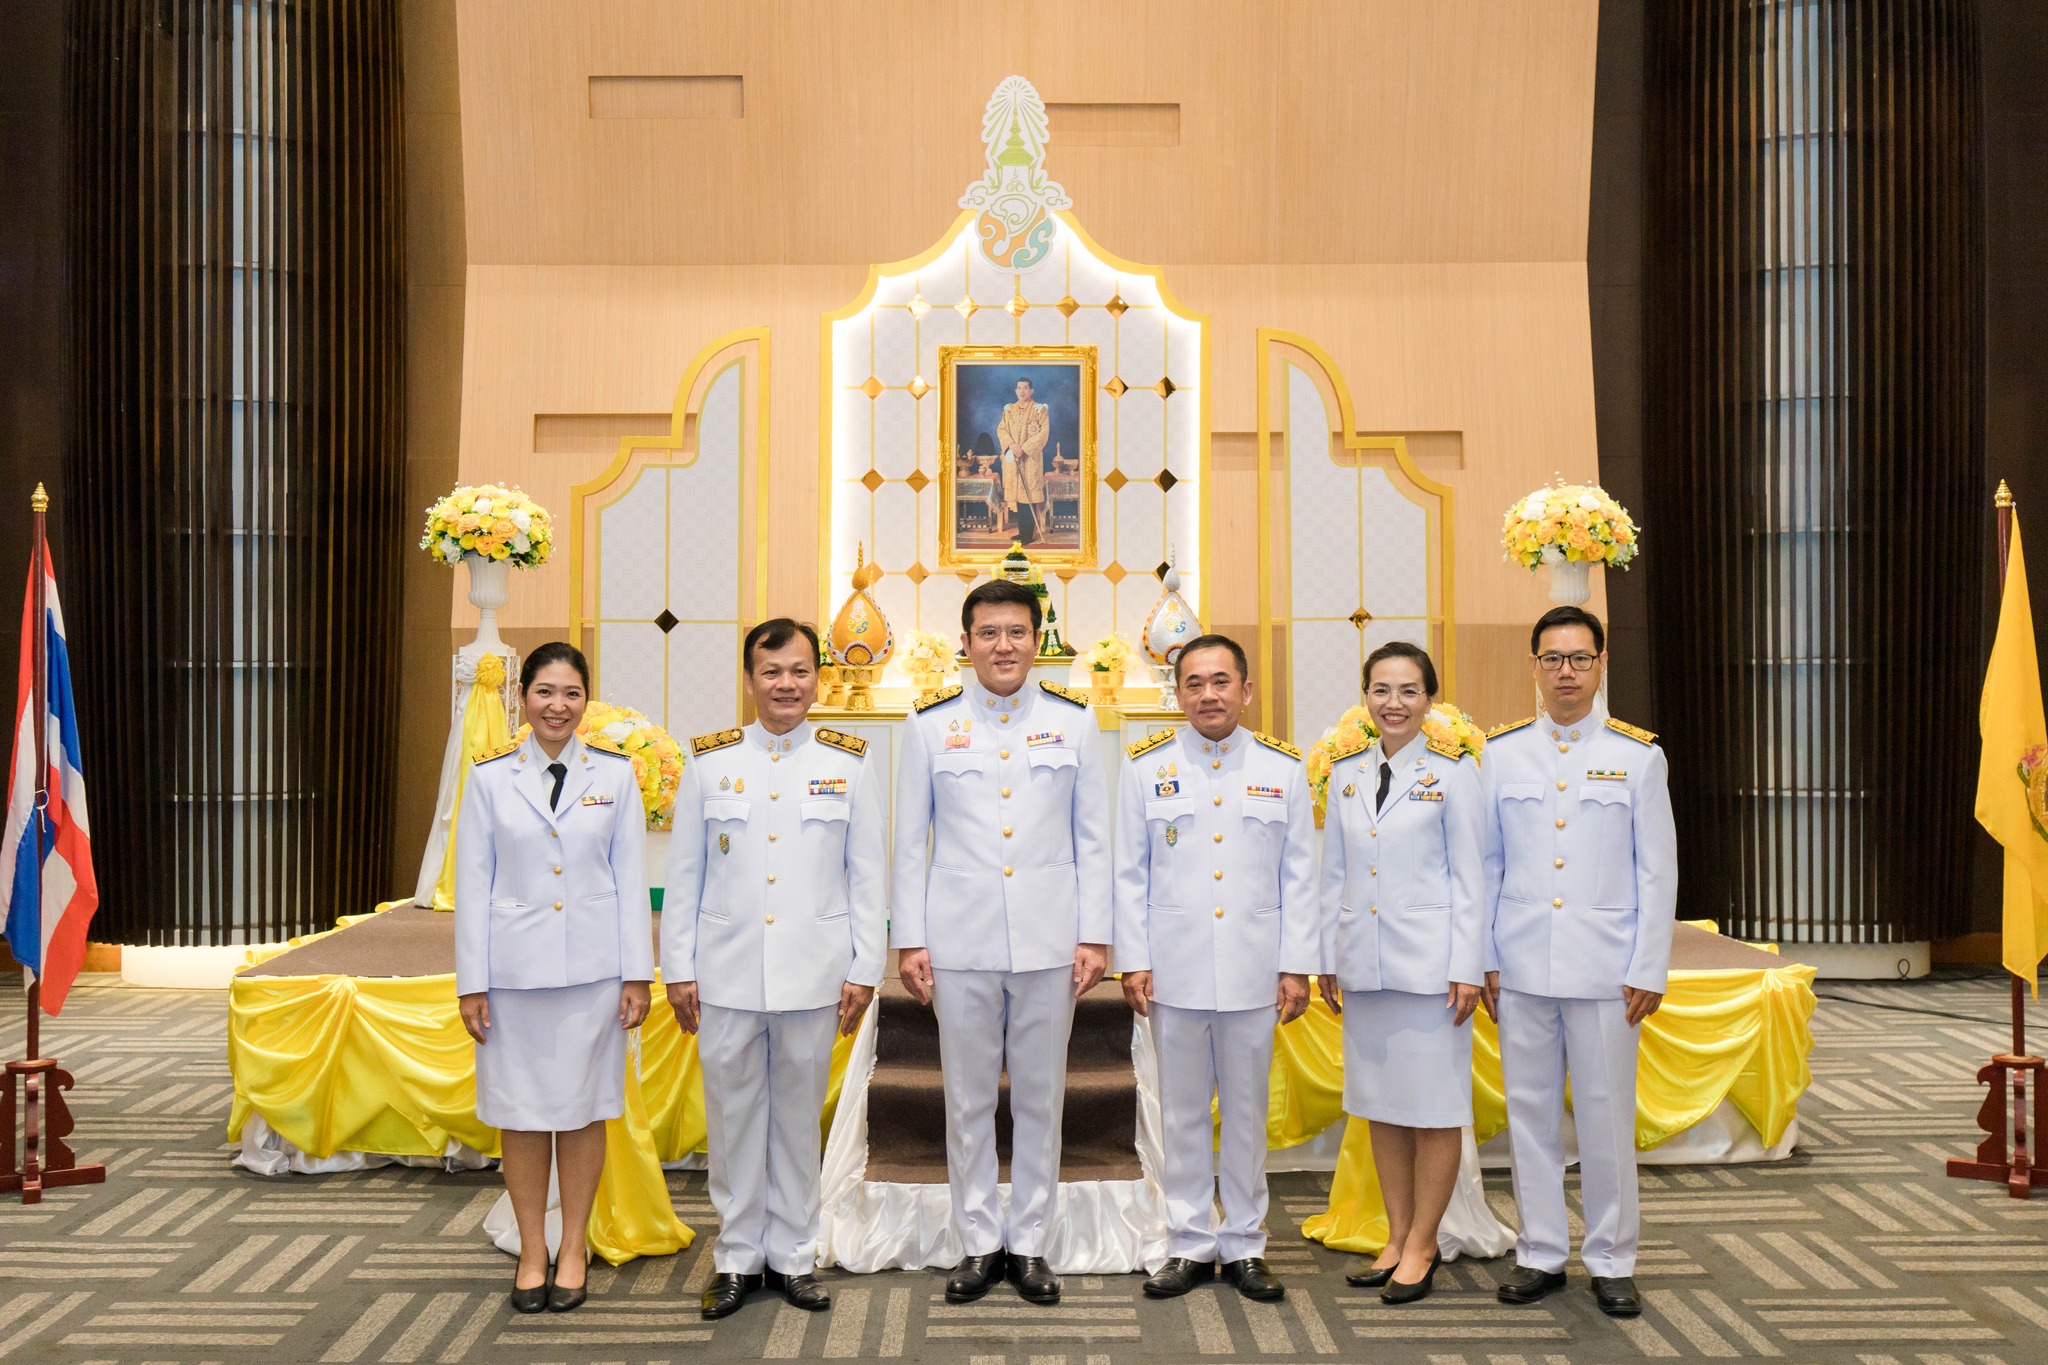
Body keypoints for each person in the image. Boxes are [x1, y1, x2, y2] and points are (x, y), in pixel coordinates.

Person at [892, 577, 1109, 1306]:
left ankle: (1031, 1242)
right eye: (988, 633)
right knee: (968, 1099)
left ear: (1037, 640)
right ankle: (980, 1240)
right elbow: (909, 842)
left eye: (1017, 631)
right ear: (966, 643)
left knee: (1042, 1098)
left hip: (1050, 940)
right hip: (960, 940)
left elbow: (1093, 838)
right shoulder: (930, 725)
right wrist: (910, 939)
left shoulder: (1075, 722)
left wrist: (1095, 934)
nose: (1003, 645)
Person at [664, 618, 886, 1320]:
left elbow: (867, 874)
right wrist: (677, 968)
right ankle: (736, 1256)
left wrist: (865, 967)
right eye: (771, 671)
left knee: (795, 1119)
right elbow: (685, 875)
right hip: (726, 971)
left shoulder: (849, 761)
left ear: (817, 678)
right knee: (733, 1120)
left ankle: (792, 1254)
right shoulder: (710, 761)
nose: (786, 684)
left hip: (814, 972)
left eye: (799, 670)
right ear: (749, 679)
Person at [1484, 605, 1676, 1318]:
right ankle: (1539, 1250)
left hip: (1606, 972)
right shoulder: (1501, 754)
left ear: (1601, 664)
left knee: (1605, 1119)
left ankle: (1612, 1258)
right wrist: (1485, 957)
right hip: (1522, 966)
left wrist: (1648, 965)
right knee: (1529, 1115)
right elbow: (1487, 864)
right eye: (1553, 658)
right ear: (1534, 666)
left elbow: (1656, 869)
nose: (1566, 672)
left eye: (1579, 658)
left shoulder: (1638, 756)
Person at [1112, 634, 1316, 1303]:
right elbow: (1128, 872)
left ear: (1246, 690)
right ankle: (1191, 1242)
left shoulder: (1282, 768)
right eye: (1194, 683)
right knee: (1183, 1114)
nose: (1208, 694)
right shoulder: (1146, 767)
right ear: (1178, 694)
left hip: (1256, 969)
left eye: (1221, 681)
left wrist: (1296, 965)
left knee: (1248, 1114)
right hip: (1175, 970)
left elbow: (1300, 875)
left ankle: (1247, 1243)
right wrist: (1134, 959)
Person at [454, 641, 654, 1315]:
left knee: (581, 1110)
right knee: (519, 1113)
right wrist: (472, 982)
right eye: (544, 691)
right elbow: (473, 885)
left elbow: (630, 880)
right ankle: (532, 1249)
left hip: (593, 976)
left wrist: (636, 974)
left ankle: (573, 1247)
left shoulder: (616, 776)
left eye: (571, 693)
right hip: (512, 979)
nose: (557, 706)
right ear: (523, 699)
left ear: (585, 701)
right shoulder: (489, 778)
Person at [1318, 641, 1485, 1305]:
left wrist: (1468, 965)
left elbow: (1471, 877)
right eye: (1381, 690)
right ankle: (1395, 1236)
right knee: (1381, 1107)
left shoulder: (1455, 773)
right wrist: (1327, 955)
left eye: (1409, 690)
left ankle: (1423, 1242)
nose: (1394, 703)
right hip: (1365, 964)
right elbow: (1333, 874)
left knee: (1435, 1109)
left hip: (1431, 971)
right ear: (1366, 697)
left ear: (1429, 699)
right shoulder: (1346, 773)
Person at [996, 377, 1049, 546]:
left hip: (1030, 460)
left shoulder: (1039, 410)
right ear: (1015, 390)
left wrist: (1023, 449)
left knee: (1028, 496)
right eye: (1019, 388)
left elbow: (1043, 434)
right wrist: (1011, 445)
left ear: (1031, 390)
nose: (1022, 391)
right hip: (1013, 458)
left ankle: (1028, 534)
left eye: (1025, 388)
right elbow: (1002, 430)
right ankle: (1021, 532)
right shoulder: (1009, 410)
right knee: (1019, 498)